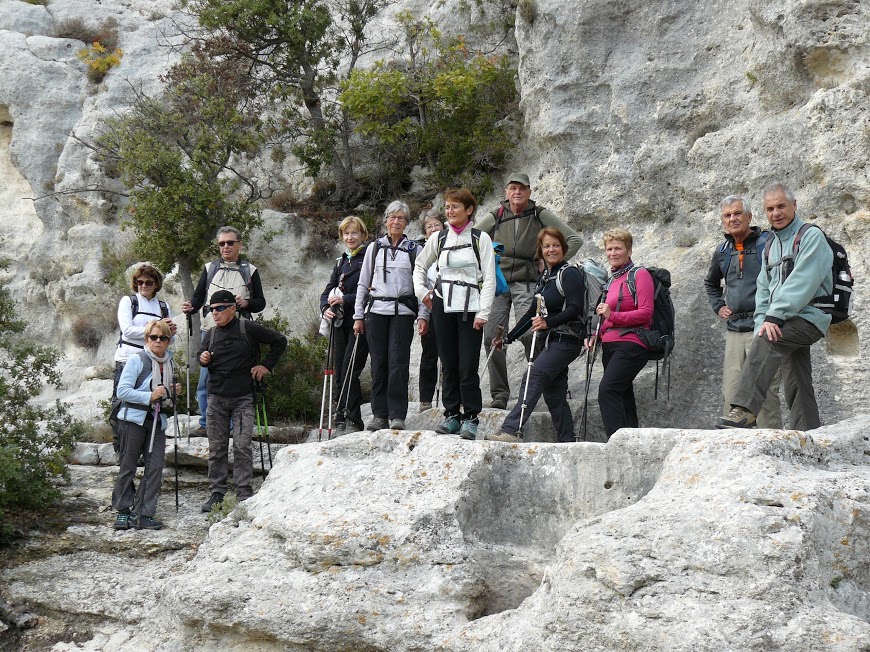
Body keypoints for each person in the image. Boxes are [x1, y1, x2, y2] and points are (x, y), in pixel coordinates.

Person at [718, 183, 833, 430]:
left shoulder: (811, 236)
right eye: (770, 209)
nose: (776, 213)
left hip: (811, 317)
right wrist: (763, 323)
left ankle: (745, 410)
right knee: (796, 376)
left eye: (781, 206)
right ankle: (807, 432)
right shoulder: (771, 244)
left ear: (794, 205)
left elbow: (803, 282)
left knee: (770, 340)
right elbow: (763, 289)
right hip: (784, 319)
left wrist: (773, 318)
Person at [476, 173, 583, 409]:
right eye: (513, 188)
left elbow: (574, 239)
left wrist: (553, 263)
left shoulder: (538, 213)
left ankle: (539, 386)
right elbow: (473, 238)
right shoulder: (498, 214)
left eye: (522, 189)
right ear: (506, 192)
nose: (517, 193)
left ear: (529, 192)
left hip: (527, 281)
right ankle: (500, 395)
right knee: (491, 336)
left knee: (530, 334)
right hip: (498, 282)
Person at [485, 227, 585, 443]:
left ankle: (511, 430)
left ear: (564, 249)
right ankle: (568, 441)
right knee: (554, 393)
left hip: (567, 340)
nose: (551, 250)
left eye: (556, 245)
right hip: (553, 341)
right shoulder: (546, 278)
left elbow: (575, 308)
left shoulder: (570, 274)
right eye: (547, 246)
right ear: (540, 251)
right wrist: (508, 338)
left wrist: (548, 322)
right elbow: (532, 313)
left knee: (534, 375)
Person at [414, 189, 496, 440]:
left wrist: (484, 311)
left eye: (455, 207)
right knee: (448, 363)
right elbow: (420, 266)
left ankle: (471, 418)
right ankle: (451, 416)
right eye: (447, 207)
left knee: (467, 365)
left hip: (471, 308)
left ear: (469, 210)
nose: (449, 211)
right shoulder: (438, 238)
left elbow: (489, 277)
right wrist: (422, 293)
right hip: (442, 306)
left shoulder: (479, 238)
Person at [199, 290, 287, 512]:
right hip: (216, 397)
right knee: (216, 447)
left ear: (232, 308)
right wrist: (204, 358)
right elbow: (202, 357)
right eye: (211, 309)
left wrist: (265, 366)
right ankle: (217, 493)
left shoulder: (247, 328)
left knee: (241, 445)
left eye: (219, 308)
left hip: (243, 398)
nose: (215, 313)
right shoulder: (210, 334)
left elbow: (279, 341)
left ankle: (244, 491)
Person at [704, 195, 782, 428]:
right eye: (727, 215)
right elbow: (710, 283)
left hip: (763, 328)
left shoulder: (767, 243)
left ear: (749, 216)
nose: (733, 219)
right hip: (735, 330)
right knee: (732, 394)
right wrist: (718, 306)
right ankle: (735, 452)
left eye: (738, 213)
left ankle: (773, 449)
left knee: (766, 394)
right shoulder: (723, 250)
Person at [182, 227, 266, 436]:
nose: (225, 247)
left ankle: (233, 427)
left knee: (236, 380)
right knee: (206, 380)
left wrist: (246, 303)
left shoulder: (250, 270)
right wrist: (190, 306)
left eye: (230, 243)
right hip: (211, 332)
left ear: (240, 244)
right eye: (221, 244)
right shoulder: (210, 268)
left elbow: (260, 303)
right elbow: (199, 296)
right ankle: (206, 424)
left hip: (240, 334)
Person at [354, 201, 423, 431]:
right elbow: (363, 283)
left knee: (398, 363)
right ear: (385, 220)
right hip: (376, 313)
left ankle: (397, 415)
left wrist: (424, 314)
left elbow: (422, 285)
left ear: (406, 223)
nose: (396, 222)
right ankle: (379, 414)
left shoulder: (415, 250)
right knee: (379, 364)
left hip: (402, 314)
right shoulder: (374, 248)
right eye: (392, 217)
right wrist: (358, 316)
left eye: (401, 218)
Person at [585, 228, 653, 439]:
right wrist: (597, 335)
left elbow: (646, 313)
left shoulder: (640, 275)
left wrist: (612, 315)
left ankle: (616, 442)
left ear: (629, 250)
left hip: (632, 343)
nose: (613, 253)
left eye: (618, 248)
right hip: (610, 345)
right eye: (609, 249)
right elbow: (609, 319)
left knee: (608, 391)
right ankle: (632, 441)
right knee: (623, 394)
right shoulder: (613, 280)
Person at [111, 319, 179, 531]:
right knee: (128, 465)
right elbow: (122, 391)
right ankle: (123, 511)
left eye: (163, 338)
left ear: (168, 341)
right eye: (153, 337)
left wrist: (172, 393)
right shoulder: (136, 360)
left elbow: (165, 397)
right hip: (132, 419)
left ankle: (143, 513)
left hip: (157, 421)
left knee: (155, 466)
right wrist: (149, 396)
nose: (158, 341)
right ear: (146, 339)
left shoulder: (170, 362)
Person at [112, 264, 177, 450]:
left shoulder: (163, 307)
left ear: (156, 284)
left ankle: (146, 448)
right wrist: (155, 328)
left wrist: (169, 332)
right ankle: (122, 449)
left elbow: (167, 341)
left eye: (148, 282)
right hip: (128, 358)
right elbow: (128, 331)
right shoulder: (129, 302)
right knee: (122, 404)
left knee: (154, 402)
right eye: (139, 282)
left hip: (155, 361)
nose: (143, 286)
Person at [319, 215, 370, 434]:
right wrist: (325, 309)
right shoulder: (341, 261)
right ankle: (341, 414)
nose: (350, 237)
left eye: (354, 232)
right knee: (340, 371)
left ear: (363, 235)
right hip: (340, 324)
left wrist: (344, 299)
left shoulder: (368, 257)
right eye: (346, 233)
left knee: (351, 369)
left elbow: (368, 290)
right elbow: (327, 290)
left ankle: (353, 417)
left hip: (360, 322)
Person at [415, 209, 445, 411]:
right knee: (429, 354)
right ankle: (425, 399)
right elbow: (420, 285)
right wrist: (422, 316)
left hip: (451, 307)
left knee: (451, 355)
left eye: (437, 225)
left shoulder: (452, 246)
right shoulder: (422, 254)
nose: (433, 229)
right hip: (430, 307)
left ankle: (452, 397)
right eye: (429, 226)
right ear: (425, 232)